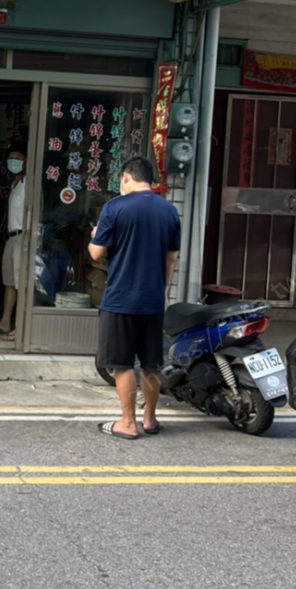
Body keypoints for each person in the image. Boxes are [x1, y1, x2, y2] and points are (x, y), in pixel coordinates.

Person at [88, 155, 180, 439]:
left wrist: (95, 235)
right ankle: (150, 419)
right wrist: (160, 288)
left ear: (126, 177)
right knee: (152, 363)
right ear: (150, 180)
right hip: (152, 299)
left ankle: (128, 423)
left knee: (122, 363)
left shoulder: (115, 207)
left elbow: (96, 253)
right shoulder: (169, 211)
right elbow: (171, 258)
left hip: (120, 299)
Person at [0, 143, 26, 340]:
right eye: (11, 158)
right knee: (9, 281)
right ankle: (5, 321)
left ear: (26, 161)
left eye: (18, 158)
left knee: (21, 283)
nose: (14, 162)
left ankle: (21, 328)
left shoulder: (29, 184)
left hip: (23, 237)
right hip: (11, 237)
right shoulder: (14, 183)